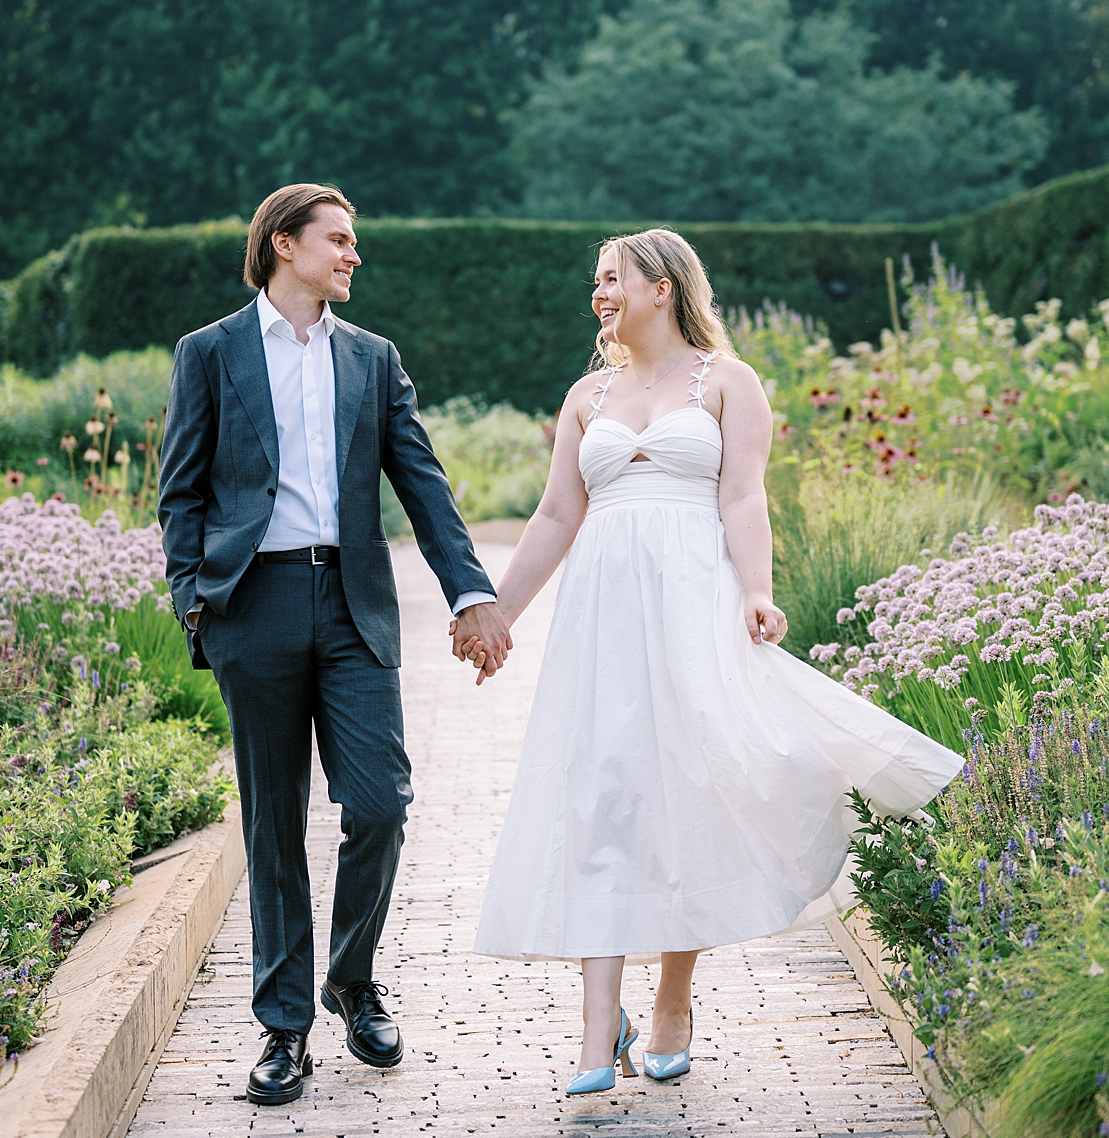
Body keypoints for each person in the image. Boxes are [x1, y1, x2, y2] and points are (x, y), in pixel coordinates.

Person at [456, 227, 965, 1095]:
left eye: (613, 278)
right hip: (604, 617)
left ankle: (672, 1000)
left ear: (664, 285)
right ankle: (593, 1030)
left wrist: (756, 592)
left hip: (695, 600)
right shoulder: (586, 396)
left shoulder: (728, 383)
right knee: (601, 792)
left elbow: (742, 496)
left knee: (688, 790)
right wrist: (498, 611)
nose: (600, 293)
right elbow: (552, 517)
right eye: (595, 281)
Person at [157, 183, 515, 1106]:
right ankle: (283, 1031)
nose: (355, 256)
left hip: (354, 607)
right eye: (340, 241)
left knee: (382, 802)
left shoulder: (373, 358)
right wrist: (197, 604)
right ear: (284, 245)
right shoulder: (210, 353)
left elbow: (424, 485)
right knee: (272, 826)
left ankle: (351, 980)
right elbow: (180, 493)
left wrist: (471, 591)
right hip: (253, 607)